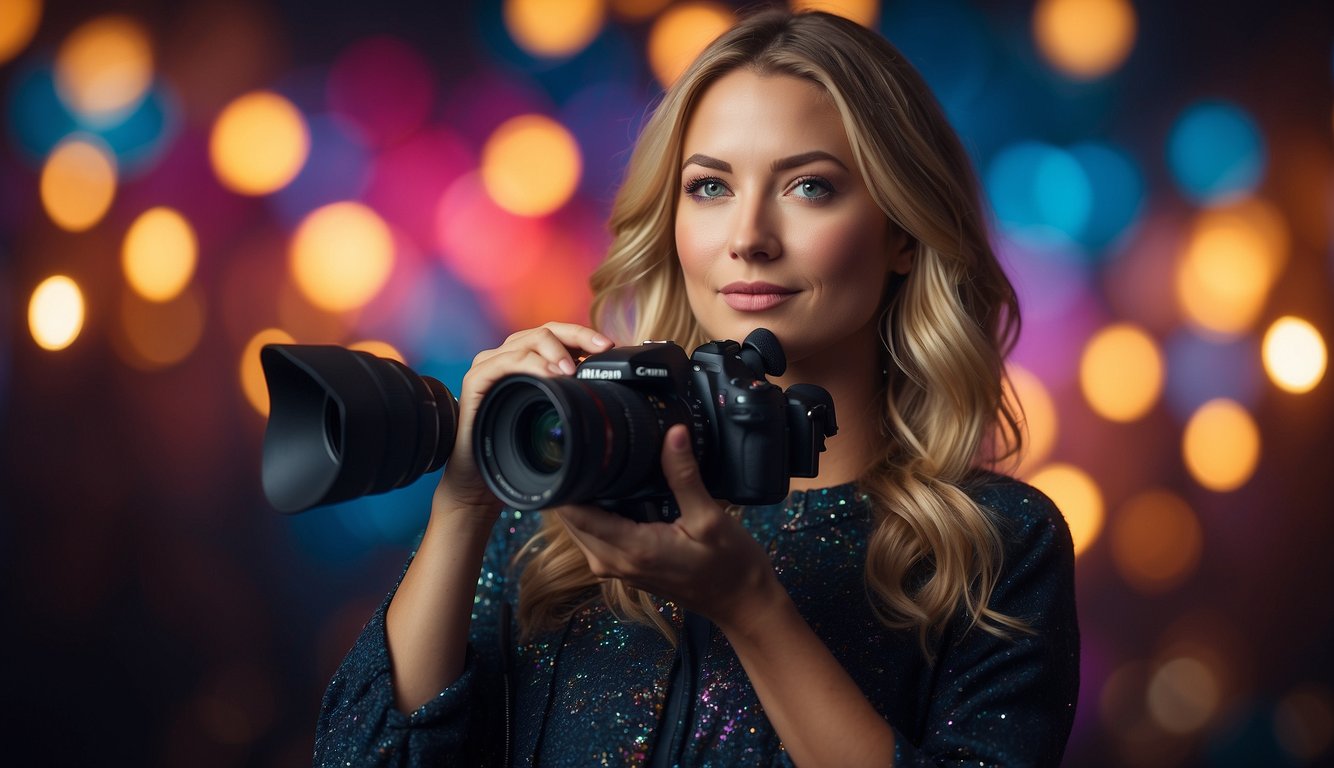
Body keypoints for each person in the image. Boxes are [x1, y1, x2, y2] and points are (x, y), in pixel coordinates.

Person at [314, 8, 1079, 767]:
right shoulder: (563, 511)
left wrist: (751, 609)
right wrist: (466, 503)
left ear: (904, 233)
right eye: (710, 187)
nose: (747, 237)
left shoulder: (996, 545)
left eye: (810, 186)